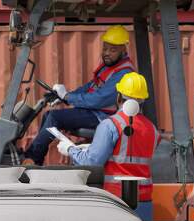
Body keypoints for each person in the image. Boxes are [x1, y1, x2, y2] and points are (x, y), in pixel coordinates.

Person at [24, 25, 134, 165]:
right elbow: (90, 87)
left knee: (54, 117)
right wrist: (64, 96)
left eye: (113, 50)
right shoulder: (109, 67)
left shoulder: (123, 74)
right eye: (105, 48)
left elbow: (98, 99)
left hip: (104, 118)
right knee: (48, 116)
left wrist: (68, 97)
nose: (107, 53)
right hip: (94, 112)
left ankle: (31, 159)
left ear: (124, 50)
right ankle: (36, 160)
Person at [56, 72, 160, 202]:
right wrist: (92, 147)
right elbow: (130, 152)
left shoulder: (111, 125)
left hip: (116, 199)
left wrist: (70, 149)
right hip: (144, 199)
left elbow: (90, 163)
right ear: (143, 100)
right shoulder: (152, 129)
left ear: (118, 97)